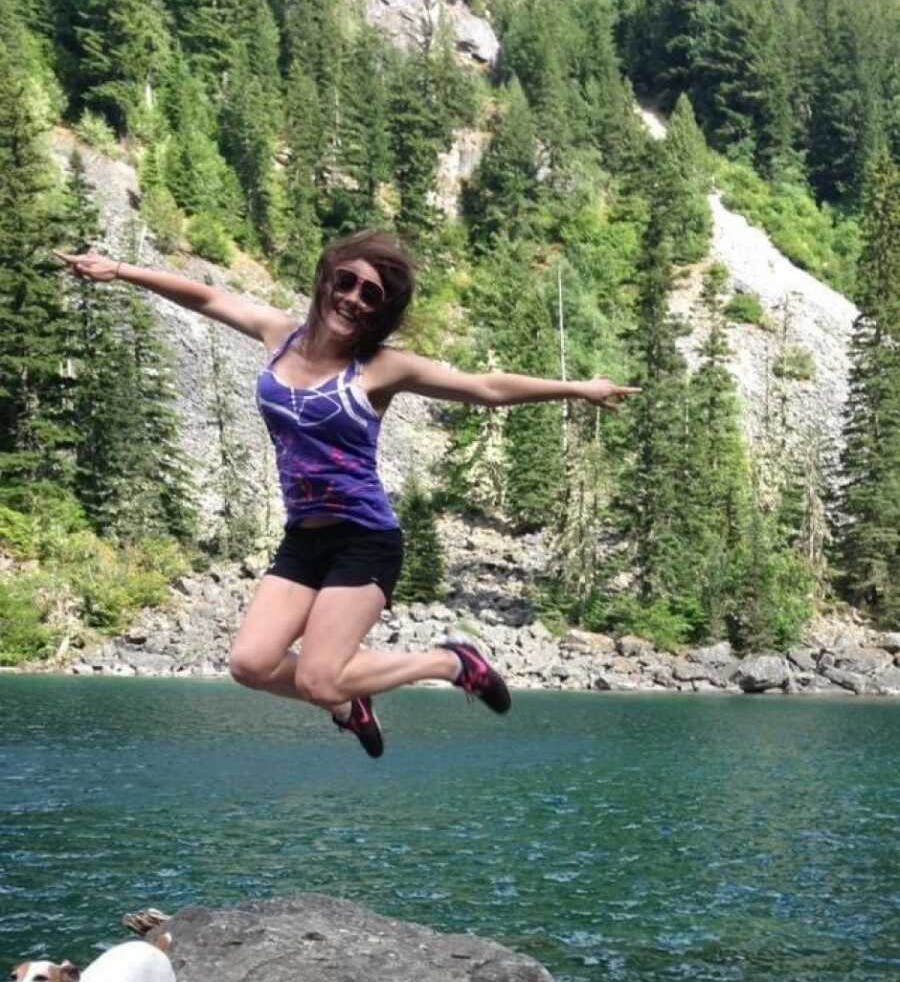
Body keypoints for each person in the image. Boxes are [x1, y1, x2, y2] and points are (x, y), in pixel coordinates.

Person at [55, 233, 638, 758]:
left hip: (363, 540)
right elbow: (206, 298)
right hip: (302, 539)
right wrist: (122, 271)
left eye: (373, 294)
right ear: (326, 280)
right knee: (250, 664)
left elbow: (484, 387)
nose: (355, 297)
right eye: (347, 282)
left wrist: (578, 389)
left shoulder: (380, 369)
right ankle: (349, 707)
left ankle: (451, 662)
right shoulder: (279, 336)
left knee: (316, 676)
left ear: (381, 312)